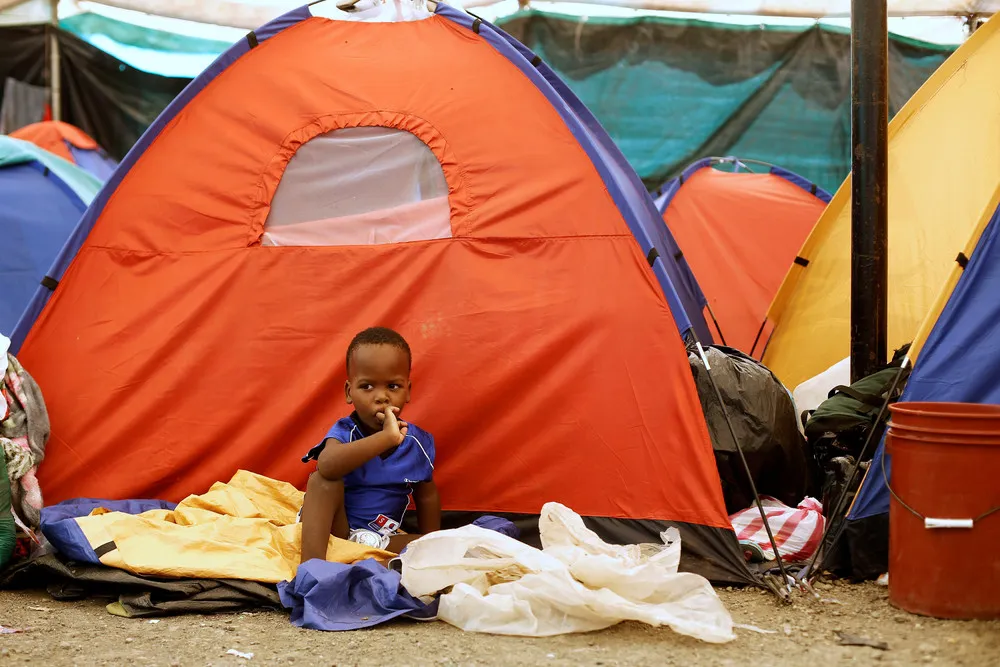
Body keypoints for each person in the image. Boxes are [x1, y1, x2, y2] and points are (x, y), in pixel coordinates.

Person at [299, 327, 440, 564]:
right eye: (367, 386)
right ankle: (310, 573)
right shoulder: (345, 431)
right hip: (335, 531)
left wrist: (432, 542)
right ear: (349, 392)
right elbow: (327, 466)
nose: (381, 397)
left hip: (381, 539)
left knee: (438, 546)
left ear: (408, 391)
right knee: (321, 481)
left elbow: (427, 497)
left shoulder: (418, 443)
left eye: (393, 386)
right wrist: (385, 438)